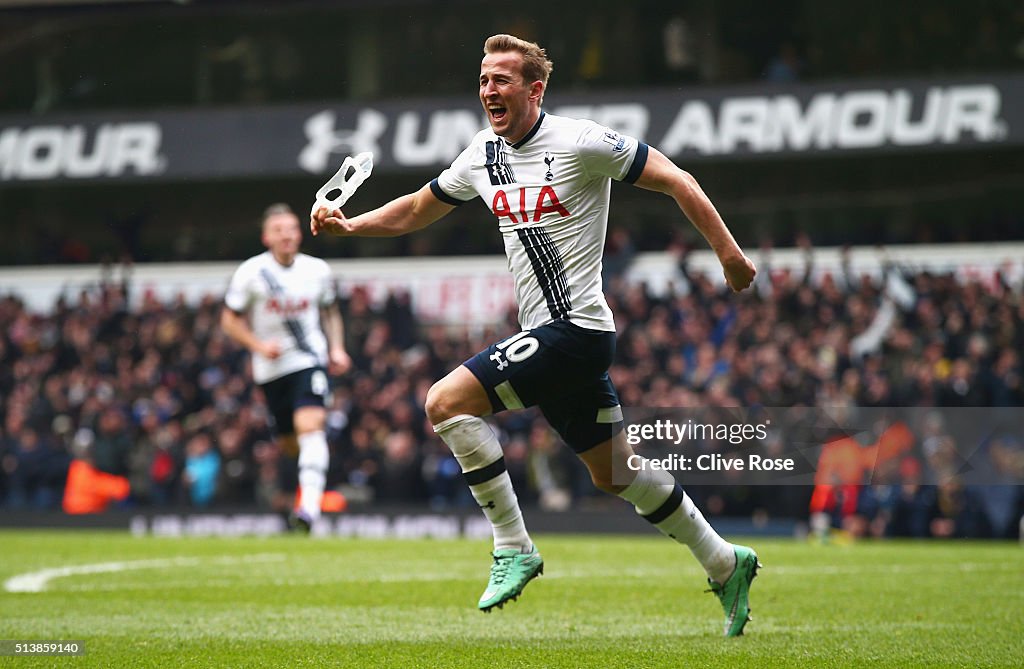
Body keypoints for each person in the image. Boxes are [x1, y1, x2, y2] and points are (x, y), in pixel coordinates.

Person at [311, 34, 760, 636]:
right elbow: (421, 206)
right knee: (613, 473)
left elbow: (677, 178)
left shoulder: (582, 141)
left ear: (534, 89)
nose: (488, 91)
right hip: (550, 336)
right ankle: (725, 561)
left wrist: (730, 257)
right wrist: (351, 226)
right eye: (483, 80)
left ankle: (513, 546)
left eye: (500, 80)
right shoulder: (482, 153)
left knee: (444, 402)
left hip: (577, 330)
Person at [222, 203, 351, 532]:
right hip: (270, 368)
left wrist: (336, 348)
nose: (287, 236)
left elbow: (330, 311)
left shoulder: (317, 270)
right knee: (289, 442)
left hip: (309, 359)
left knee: (311, 425)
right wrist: (259, 347)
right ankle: (305, 492)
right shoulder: (251, 273)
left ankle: (308, 510)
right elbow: (229, 320)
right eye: (279, 230)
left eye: (292, 229)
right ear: (267, 237)